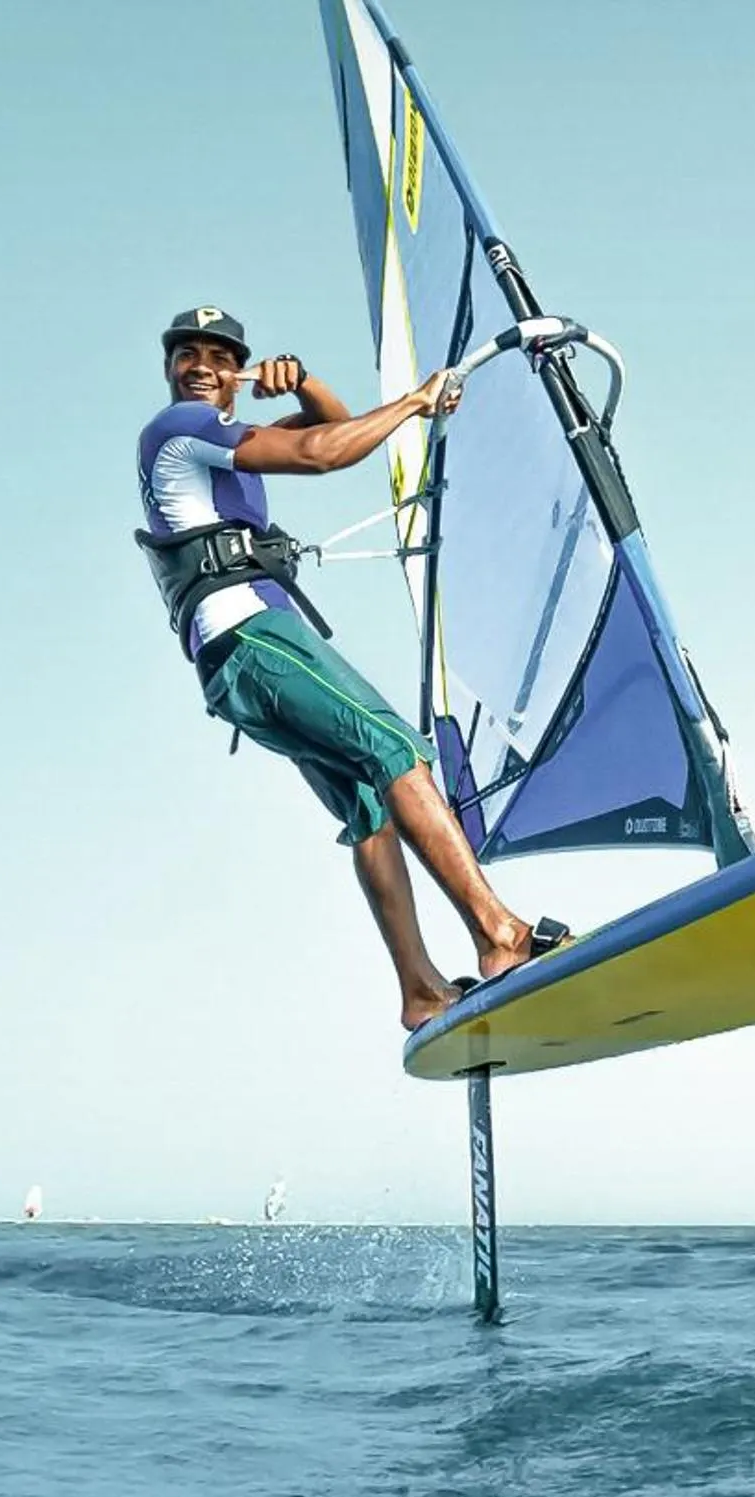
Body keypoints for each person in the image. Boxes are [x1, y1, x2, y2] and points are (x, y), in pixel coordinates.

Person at [135, 305, 566, 1032]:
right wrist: (416, 400)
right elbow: (324, 455)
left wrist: (304, 383)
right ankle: (500, 934)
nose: (202, 365)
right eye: (188, 354)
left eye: (218, 355)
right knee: (394, 749)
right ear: (171, 368)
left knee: (369, 807)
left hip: (234, 658)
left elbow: (334, 430)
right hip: (251, 635)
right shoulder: (179, 429)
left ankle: (422, 990)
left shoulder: (223, 440)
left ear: (235, 373)